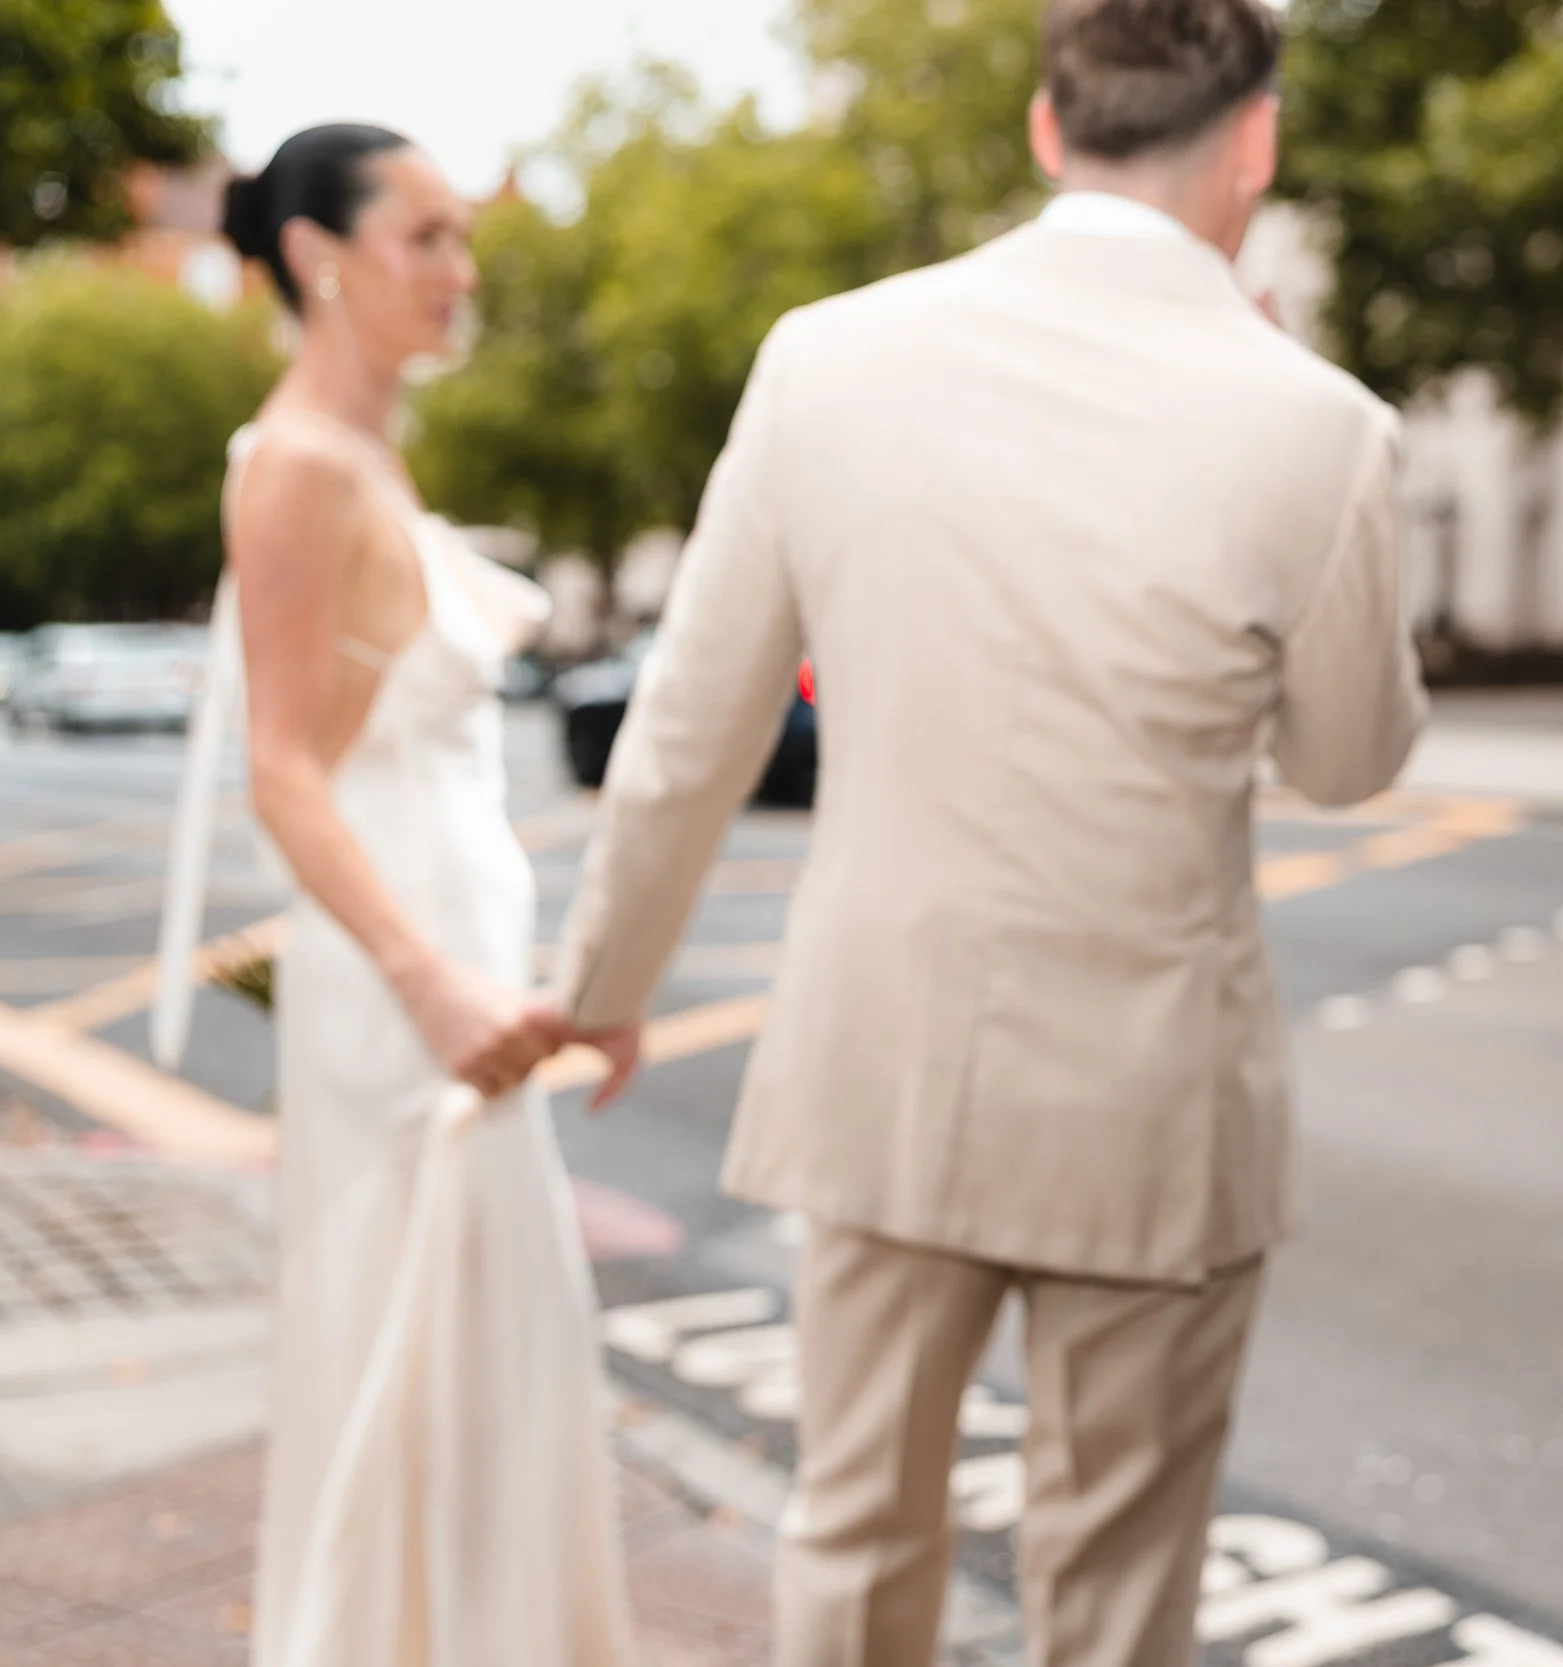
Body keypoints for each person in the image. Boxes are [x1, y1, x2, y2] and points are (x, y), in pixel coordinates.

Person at [551, 1, 1425, 1660]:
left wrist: (605, 978)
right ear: (1257, 140)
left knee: (858, 1523)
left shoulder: (827, 355)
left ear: (1047, 125)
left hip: (887, 1064)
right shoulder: (1318, 423)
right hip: (1159, 1099)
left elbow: (688, 730)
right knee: (1115, 1586)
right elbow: (1350, 760)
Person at [170, 124, 635, 1667]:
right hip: (400, 995)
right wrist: (430, 979)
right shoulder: (297, 464)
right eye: (424, 236)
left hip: (456, 958)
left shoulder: (366, 451)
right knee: (409, 1356)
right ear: (318, 256)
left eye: (457, 235)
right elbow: (286, 770)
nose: (461, 267)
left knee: (485, 1362)